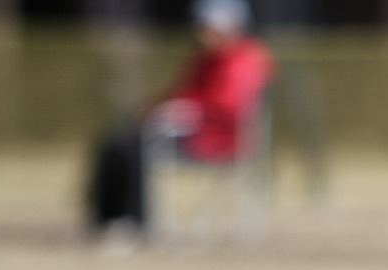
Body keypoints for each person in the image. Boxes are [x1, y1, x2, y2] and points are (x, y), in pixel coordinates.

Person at [85, 0, 274, 239]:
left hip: (219, 140)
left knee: (138, 147)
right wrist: (159, 107)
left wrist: (183, 110)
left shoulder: (244, 61)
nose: (202, 32)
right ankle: (107, 219)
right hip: (196, 131)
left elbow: (228, 106)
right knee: (116, 141)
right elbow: (185, 91)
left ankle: (135, 223)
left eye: (208, 26)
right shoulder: (206, 58)